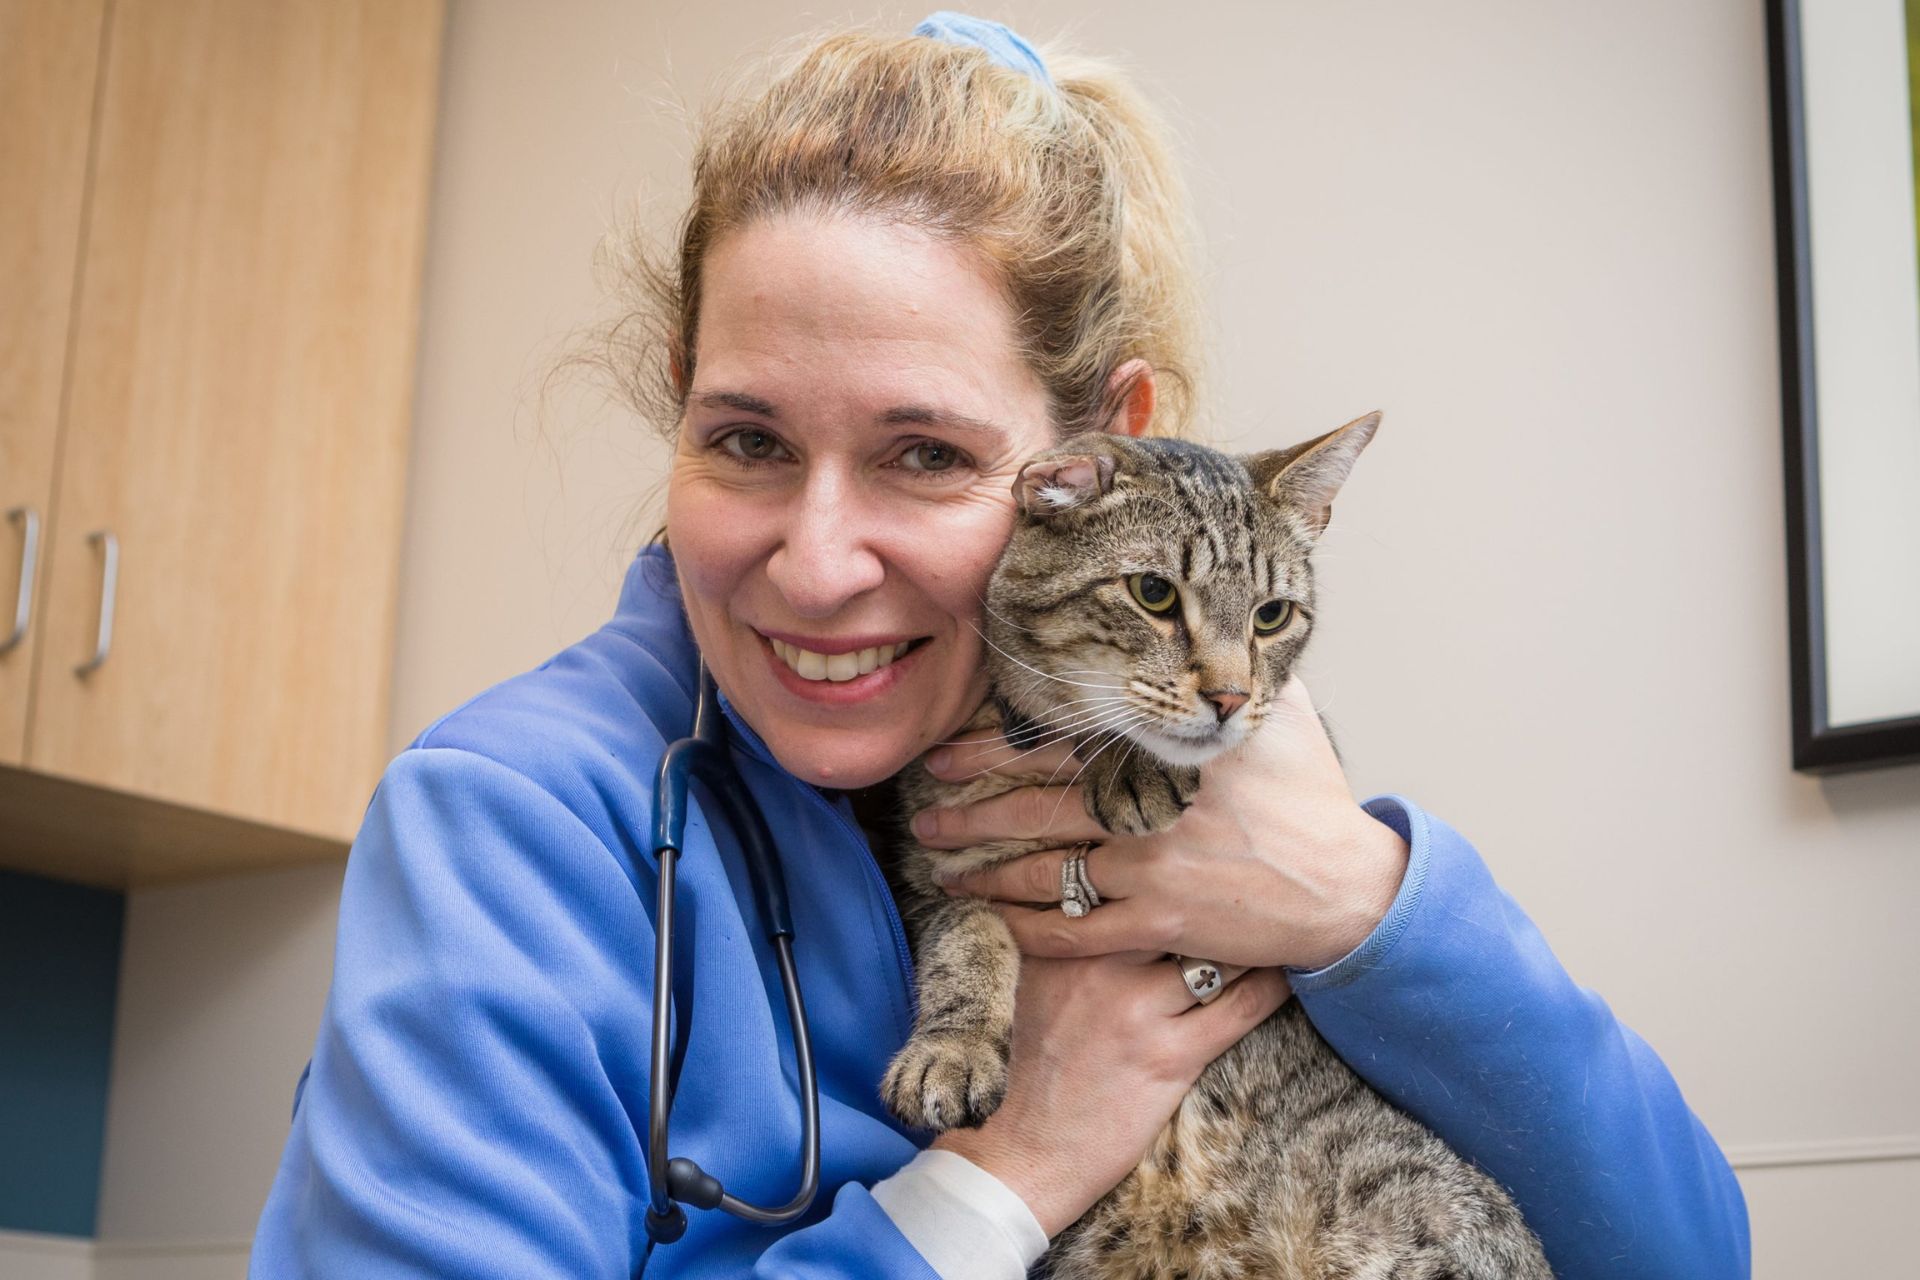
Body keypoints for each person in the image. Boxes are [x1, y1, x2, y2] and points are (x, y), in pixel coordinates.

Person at [250, 14, 1750, 1279]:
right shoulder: (508, 822)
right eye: (749, 438)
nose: (818, 560)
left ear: (1107, 456)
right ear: (678, 402)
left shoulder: (1220, 785)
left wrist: (1363, 900)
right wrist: (1007, 1173)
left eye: (924, 457)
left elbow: (1688, 1252)